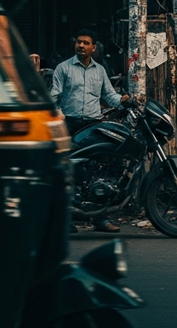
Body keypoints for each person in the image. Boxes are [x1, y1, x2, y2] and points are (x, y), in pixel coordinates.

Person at [49, 29, 131, 233]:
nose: (81, 46)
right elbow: (54, 97)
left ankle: (100, 219)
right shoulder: (63, 68)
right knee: (69, 172)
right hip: (70, 124)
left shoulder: (100, 70)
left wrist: (122, 101)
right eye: (79, 42)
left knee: (96, 173)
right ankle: (67, 219)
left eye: (86, 43)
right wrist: (58, 116)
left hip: (94, 125)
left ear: (93, 48)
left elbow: (109, 96)